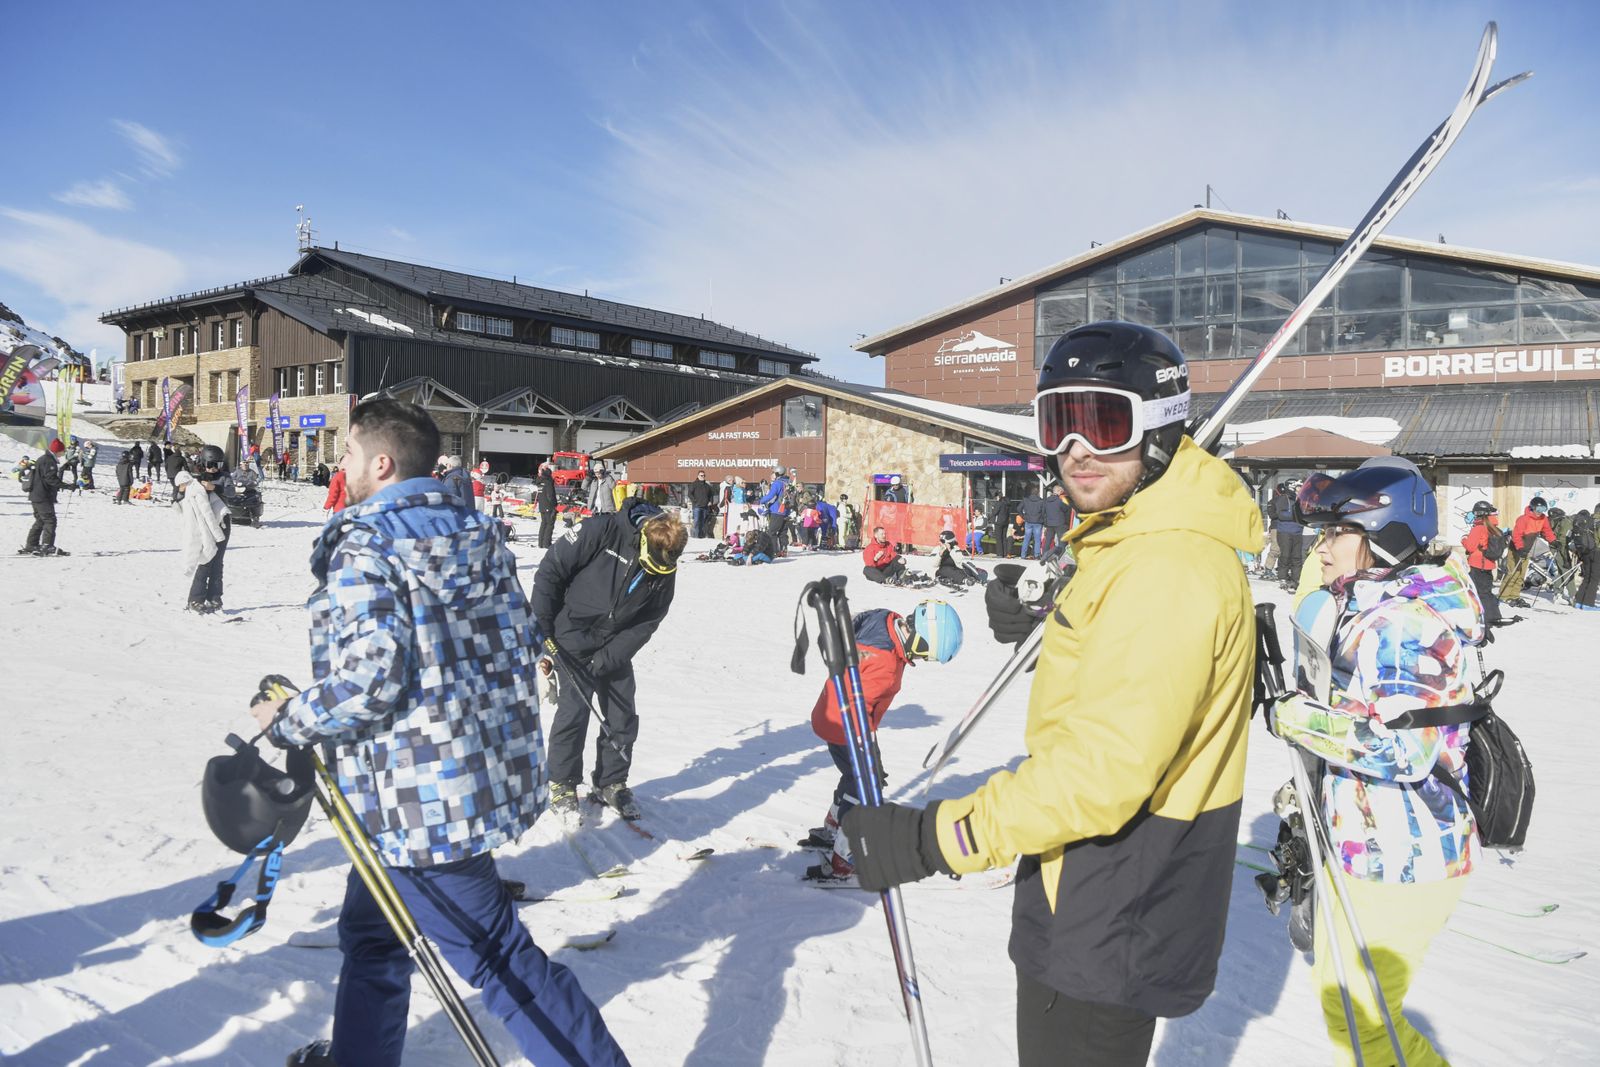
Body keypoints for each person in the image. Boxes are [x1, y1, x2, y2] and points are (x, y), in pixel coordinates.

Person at [840, 322, 1259, 1067]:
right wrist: (1052, 617)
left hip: (1111, 901)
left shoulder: (1166, 568)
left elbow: (1099, 775)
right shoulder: (1138, 538)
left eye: (1104, 421)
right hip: (1096, 889)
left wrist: (931, 839)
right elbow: (1129, 676)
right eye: (1057, 422)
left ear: (1160, 426)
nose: (1076, 449)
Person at [250, 397, 630, 1067]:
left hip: (420, 801)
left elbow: (371, 679)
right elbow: (514, 641)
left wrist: (291, 719)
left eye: (348, 452)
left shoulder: (367, 543)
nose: (341, 464)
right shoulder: (476, 532)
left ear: (382, 463)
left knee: (499, 957)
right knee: (373, 936)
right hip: (443, 782)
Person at [1268, 457, 1482, 1067]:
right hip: (1374, 845)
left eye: (1338, 533)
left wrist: (1301, 720)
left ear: (1384, 537)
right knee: (1352, 1012)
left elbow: (1404, 749)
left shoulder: (1401, 623)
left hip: (1407, 854)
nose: (1321, 548)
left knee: (1363, 1021)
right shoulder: (1375, 611)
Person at [532, 498, 685, 821]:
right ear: (643, 538)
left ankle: (611, 782)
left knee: (622, 715)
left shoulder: (665, 558)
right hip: (572, 633)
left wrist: (607, 658)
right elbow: (551, 570)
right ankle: (562, 782)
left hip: (614, 642)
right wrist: (543, 626)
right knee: (574, 711)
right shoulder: (601, 530)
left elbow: (648, 620)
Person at [803, 601, 964, 883]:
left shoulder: (887, 621)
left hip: (832, 715)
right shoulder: (885, 664)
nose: (921, 659)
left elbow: (859, 622)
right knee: (865, 789)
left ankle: (831, 831)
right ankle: (845, 861)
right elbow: (858, 707)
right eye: (925, 652)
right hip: (845, 726)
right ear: (920, 636)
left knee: (856, 777)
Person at [175, 466, 229, 613]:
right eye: (208, 465)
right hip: (203, 525)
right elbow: (177, 501)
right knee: (205, 560)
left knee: (217, 562)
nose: (211, 468)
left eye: (215, 464)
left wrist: (215, 488)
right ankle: (195, 599)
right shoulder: (196, 481)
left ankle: (215, 597)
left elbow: (231, 492)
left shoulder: (224, 476)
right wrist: (181, 491)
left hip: (222, 522)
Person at [1498, 495, 1556, 606]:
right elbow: (1516, 535)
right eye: (1538, 509)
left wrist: (1553, 541)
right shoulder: (1523, 519)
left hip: (1526, 550)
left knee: (1521, 574)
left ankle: (1514, 595)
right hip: (1516, 548)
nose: (1540, 512)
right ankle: (1504, 595)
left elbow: (1547, 531)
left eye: (1543, 509)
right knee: (1513, 572)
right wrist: (1520, 549)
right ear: (1532, 508)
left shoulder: (1543, 519)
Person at [19, 438, 68, 557]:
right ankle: (47, 545)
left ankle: (31, 544)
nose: (63, 453)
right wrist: (65, 485)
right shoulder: (48, 461)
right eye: (63, 451)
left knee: (40, 520)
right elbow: (50, 478)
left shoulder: (43, 459)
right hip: (42, 496)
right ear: (57, 451)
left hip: (36, 495)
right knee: (50, 520)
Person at [1460, 499, 1503, 626]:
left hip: (1478, 565)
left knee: (1479, 593)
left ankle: (1488, 618)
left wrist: (1464, 539)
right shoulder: (1492, 526)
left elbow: (1470, 547)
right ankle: (1493, 616)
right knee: (1486, 592)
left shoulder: (1478, 528)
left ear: (1477, 513)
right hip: (1487, 565)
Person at [1272, 480, 1305, 587]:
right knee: (1285, 555)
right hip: (1285, 531)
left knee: (1297, 557)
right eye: (1298, 487)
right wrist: (1297, 515)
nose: (1300, 489)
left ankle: (1296, 578)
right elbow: (1281, 515)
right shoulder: (1283, 498)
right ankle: (1282, 577)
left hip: (1298, 531)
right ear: (1292, 487)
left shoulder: (1300, 499)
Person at [1570, 509, 1598, 609]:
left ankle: (1579, 602)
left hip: (1585, 552)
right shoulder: (1597, 522)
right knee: (1594, 579)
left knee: (1587, 577)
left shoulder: (1589, 520)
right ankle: (1588, 604)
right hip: (1597, 552)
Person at [758, 465, 790, 552]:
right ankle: (784, 549)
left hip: (777, 510)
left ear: (777, 473)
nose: (773, 474)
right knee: (782, 532)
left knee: (771, 532)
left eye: (773, 473)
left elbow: (771, 495)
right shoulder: (787, 483)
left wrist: (761, 500)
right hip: (786, 510)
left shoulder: (777, 483)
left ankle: (774, 550)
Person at [1041, 484, 1070, 555]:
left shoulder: (1046, 501)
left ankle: (1044, 555)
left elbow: (1043, 512)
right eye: (1061, 492)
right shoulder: (1060, 501)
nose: (1061, 493)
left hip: (1049, 523)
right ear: (1059, 491)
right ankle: (1061, 556)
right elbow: (1066, 510)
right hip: (1060, 523)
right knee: (1062, 541)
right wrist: (1067, 522)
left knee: (1048, 540)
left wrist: (1045, 523)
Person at [687, 470, 716, 538]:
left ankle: (701, 536)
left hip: (705, 507)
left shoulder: (707, 486)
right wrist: (695, 501)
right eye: (701, 475)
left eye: (704, 475)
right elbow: (689, 494)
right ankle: (695, 536)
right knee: (696, 522)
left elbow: (711, 495)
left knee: (703, 522)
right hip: (697, 506)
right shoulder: (694, 484)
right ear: (698, 476)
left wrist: (710, 502)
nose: (703, 477)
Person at [1018, 486, 1046, 559]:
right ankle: (1037, 555)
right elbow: (1044, 512)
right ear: (1038, 493)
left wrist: (1023, 516)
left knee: (1026, 538)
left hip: (1028, 521)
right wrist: (1042, 518)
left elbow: (1018, 508)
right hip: (1038, 521)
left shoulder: (1025, 500)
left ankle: (1023, 555)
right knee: (1037, 539)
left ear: (1031, 492)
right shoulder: (1041, 501)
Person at [536, 462, 558, 549]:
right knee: (550, 524)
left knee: (543, 523)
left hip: (542, 506)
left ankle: (541, 543)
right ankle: (546, 543)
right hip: (549, 506)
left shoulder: (539, 481)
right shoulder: (548, 482)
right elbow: (550, 495)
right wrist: (554, 505)